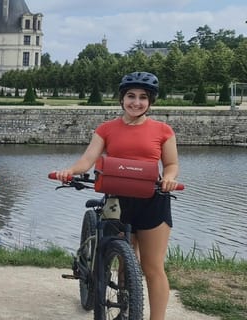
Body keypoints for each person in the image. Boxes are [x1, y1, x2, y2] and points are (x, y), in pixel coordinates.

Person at [52, 71, 180, 320]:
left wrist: (169, 178)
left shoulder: (163, 130)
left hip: (153, 200)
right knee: (124, 260)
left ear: (150, 101)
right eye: (131, 96)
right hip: (118, 200)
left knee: (153, 268)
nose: (136, 102)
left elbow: (171, 164)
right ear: (122, 99)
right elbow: (87, 160)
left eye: (143, 97)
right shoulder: (106, 129)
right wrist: (69, 171)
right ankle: (125, 307)